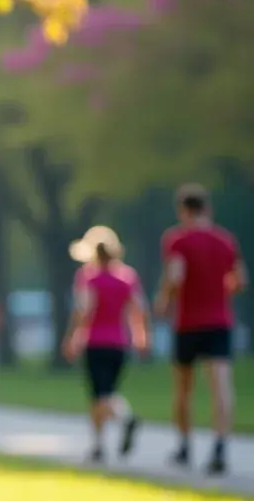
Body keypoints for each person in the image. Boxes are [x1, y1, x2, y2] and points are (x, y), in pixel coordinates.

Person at [155, 183, 247, 475]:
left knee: (184, 388)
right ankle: (220, 446)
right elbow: (240, 280)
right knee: (221, 385)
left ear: (183, 210)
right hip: (219, 321)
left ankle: (184, 446)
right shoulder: (225, 240)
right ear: (207, 208)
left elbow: (175, 275)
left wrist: (164, 301)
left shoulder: (176, 240)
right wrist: (219, 290)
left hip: (188, 322)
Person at [63, 226, 149, 463]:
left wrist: (71, 337)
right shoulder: (127, 277)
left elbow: (83, 309)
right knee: (104, 393)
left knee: (100, 395)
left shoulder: (88, 277)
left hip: (95, 342)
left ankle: (124, 419)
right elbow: (138, 309)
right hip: (120, 344)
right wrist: (141, 336)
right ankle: (99, 445)